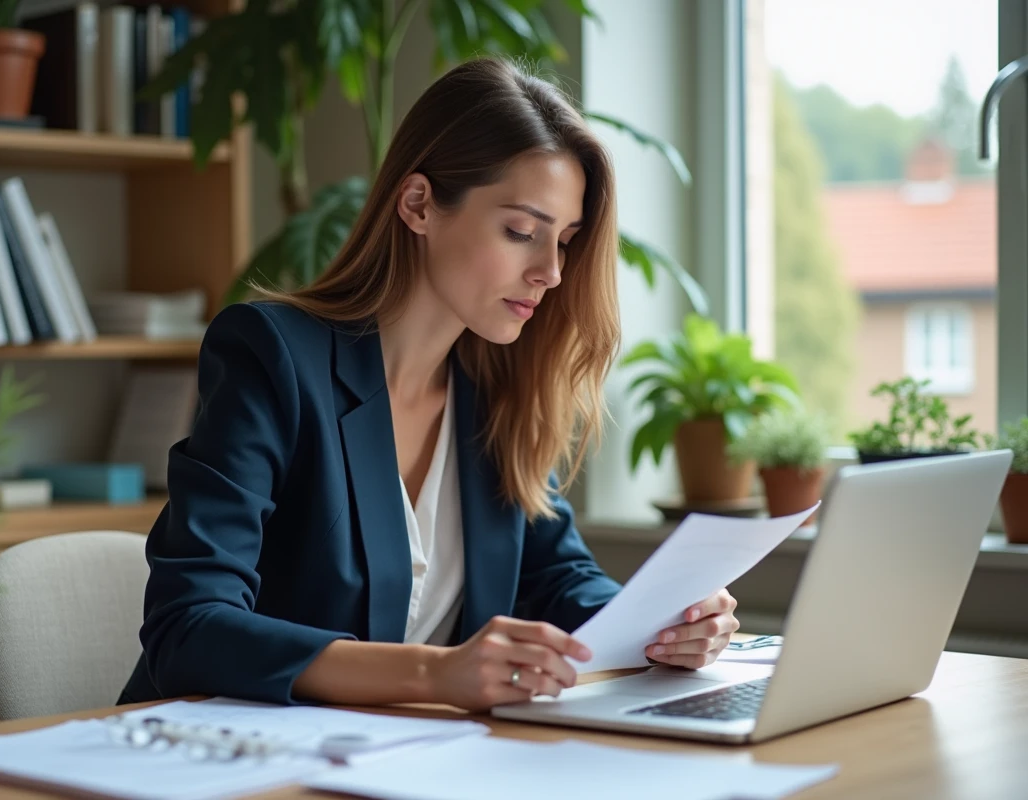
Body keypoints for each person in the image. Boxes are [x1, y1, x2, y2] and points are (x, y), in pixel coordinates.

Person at [118, 57, 739, 712]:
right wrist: (435, 674)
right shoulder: (272, 357)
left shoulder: (500, 389)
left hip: (408, 759)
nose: (550, 273)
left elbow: (559, 576)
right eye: (522, 232)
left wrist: (662, 626)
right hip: (216, 757)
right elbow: (188, 627)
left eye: (566, 242)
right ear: (418, 204)